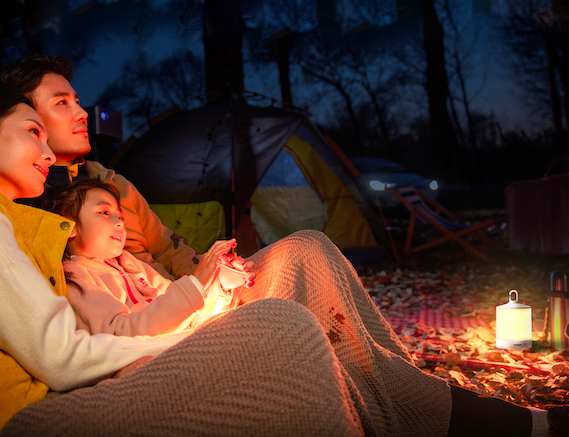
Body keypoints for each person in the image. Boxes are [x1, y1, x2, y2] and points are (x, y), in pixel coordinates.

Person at [0, 57, 564, 436]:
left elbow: (171, 252)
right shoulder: (31, 218)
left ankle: (417, 402)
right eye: (57, 106)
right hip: (142, 332)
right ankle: (436, 415)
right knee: (289, 324)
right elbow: (68, 337)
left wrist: (213, 275)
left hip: (176, 301)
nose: (81, 112)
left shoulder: (107, 180)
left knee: (306, 251)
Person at [50, 179, 252, 337]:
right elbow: (122, 333)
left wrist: (220, 285)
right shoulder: (75, 276)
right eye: (104, 212)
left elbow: (183, 308)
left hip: (179, 339)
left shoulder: (129, 263)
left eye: (120, 216)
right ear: (70, 225)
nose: (119, 223)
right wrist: (197, 282)